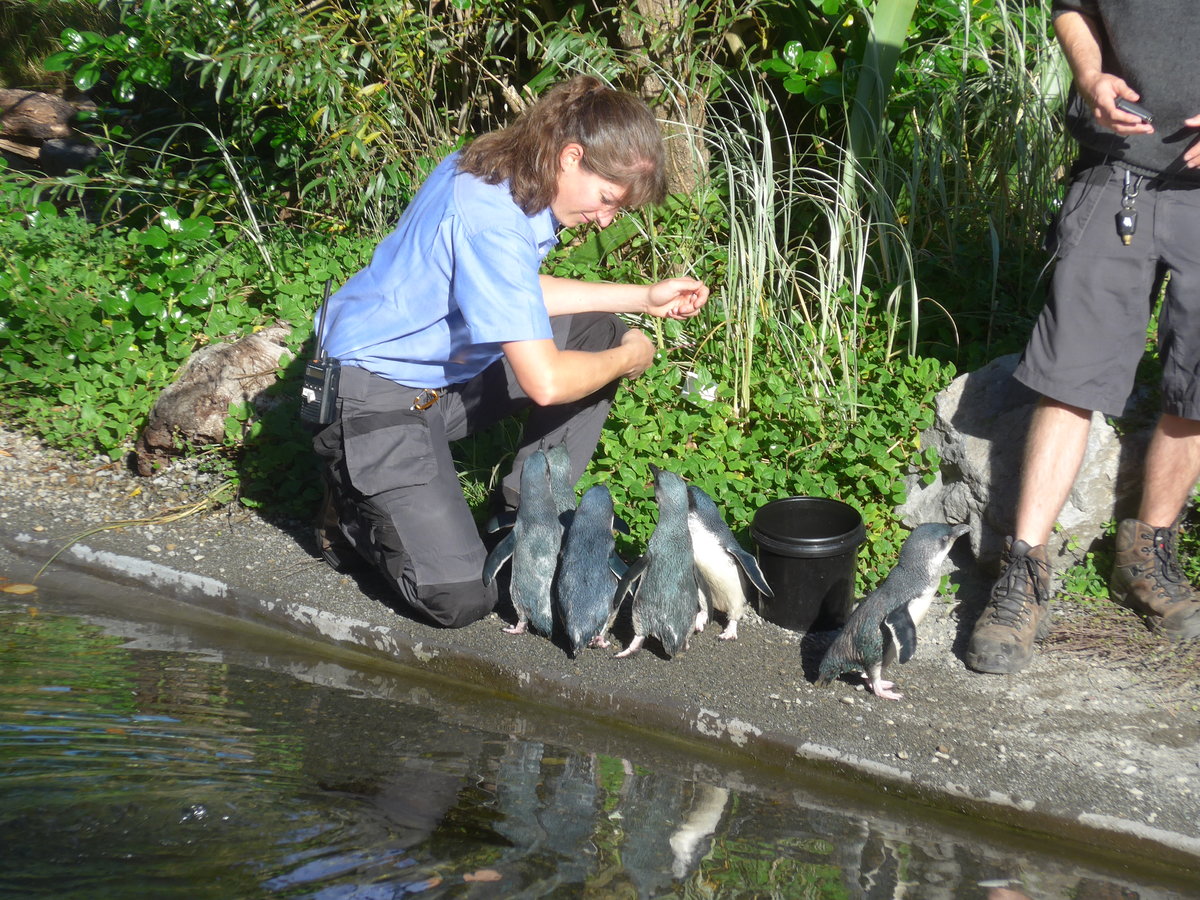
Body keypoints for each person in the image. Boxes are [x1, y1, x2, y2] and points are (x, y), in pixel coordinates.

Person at [308, 76, 708, 629]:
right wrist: (633, 356)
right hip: (374, 395)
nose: (607, 219)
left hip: (440, 383)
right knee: (462, 597)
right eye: (607, 199)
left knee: (598, 332)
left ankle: (526, 523)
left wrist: (644, 300)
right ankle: (350, 506)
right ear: (572, 157)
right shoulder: (491, 221)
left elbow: (512, 290)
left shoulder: (496, 170)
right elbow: (545, 381)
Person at [966, 0, 1200, 675]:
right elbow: (1073, 8)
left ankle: (1146, 555)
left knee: (1197, 383)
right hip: (1116, 171)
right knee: (1069, 375)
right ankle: (1022, 573)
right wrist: (1093, 74)